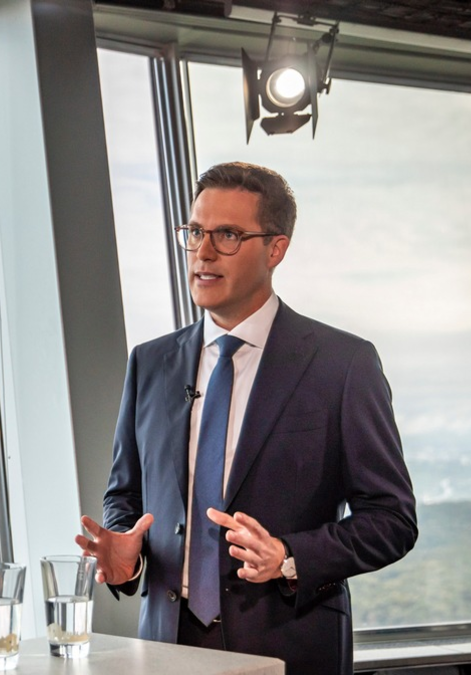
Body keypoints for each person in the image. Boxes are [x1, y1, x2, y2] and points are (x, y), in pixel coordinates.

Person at [75, 162, 417, 674]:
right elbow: (125, 496)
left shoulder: (342, 364)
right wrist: (128, 554)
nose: (203, 253)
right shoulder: (150, 363)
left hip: (289, 649)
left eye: (228, 235)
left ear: (275, 249)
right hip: (166, 650)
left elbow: (392, 520)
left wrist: (287, 555)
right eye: (195, 232)